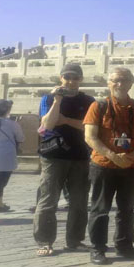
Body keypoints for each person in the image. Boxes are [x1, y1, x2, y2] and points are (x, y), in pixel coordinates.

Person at [83, 67, 134, 265]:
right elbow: (90, 136)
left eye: (124, 80)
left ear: (132, 83)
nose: (120, 84)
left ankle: (124, 245)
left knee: (127, 208)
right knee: (100, 208)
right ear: (109, 83)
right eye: (115, 80)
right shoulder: (99, 106)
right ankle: (97, 248)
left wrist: (133, 155)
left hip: (132, 165)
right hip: (104, 164)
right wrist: (113, 155)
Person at [34, 64, 95, 256]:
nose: (71, 81)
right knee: (48, 199)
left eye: (75, 77)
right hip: (53, 156)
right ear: (61, 78)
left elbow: (89, 127)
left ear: (81, 79)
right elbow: (48, 123)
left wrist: (66, 120)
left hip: (80, 156)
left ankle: (75, 240)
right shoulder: (49, 98)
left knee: (79, 201)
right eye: (67, 77)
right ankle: (44, 241)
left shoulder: (88, 100)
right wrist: (57, 101)